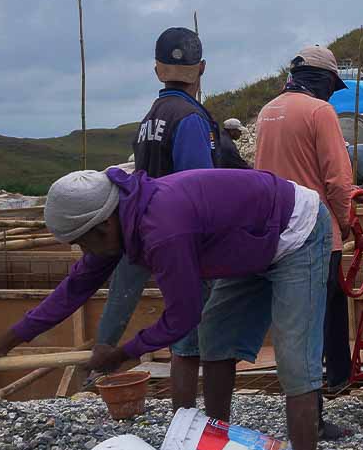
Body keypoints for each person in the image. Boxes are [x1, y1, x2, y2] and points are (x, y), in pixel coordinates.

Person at [0, 165, 333, 450]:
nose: (84, 252)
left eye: (83, 242)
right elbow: (73, 289)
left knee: (294, 361)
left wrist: (125, 354)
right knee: (216, 341)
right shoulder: (118, 223)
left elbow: (182, 316)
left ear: (104, 224)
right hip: (249, 239)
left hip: (295, 230)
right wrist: (3, 343)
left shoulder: (163, 229)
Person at [93, 26, 248, 406]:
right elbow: (198, 189)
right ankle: (202, 423)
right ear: (203, 68)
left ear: (157, 70)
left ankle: (183, 415)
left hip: (153, 231)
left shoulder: (151, 117)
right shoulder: (190, 118)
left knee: (184, 330)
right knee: (202, 331)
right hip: (186, 240)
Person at [254, 46, 363, 429]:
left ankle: (336, 377)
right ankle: (313, 416)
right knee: (316, 318)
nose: (333, 94)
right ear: (323, 81)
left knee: (298, 318)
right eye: (332, 86)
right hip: (316, 233)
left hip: (277, 232)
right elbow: (337, 179)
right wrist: (348, 220)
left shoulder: (268, 111)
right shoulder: (320, 112)